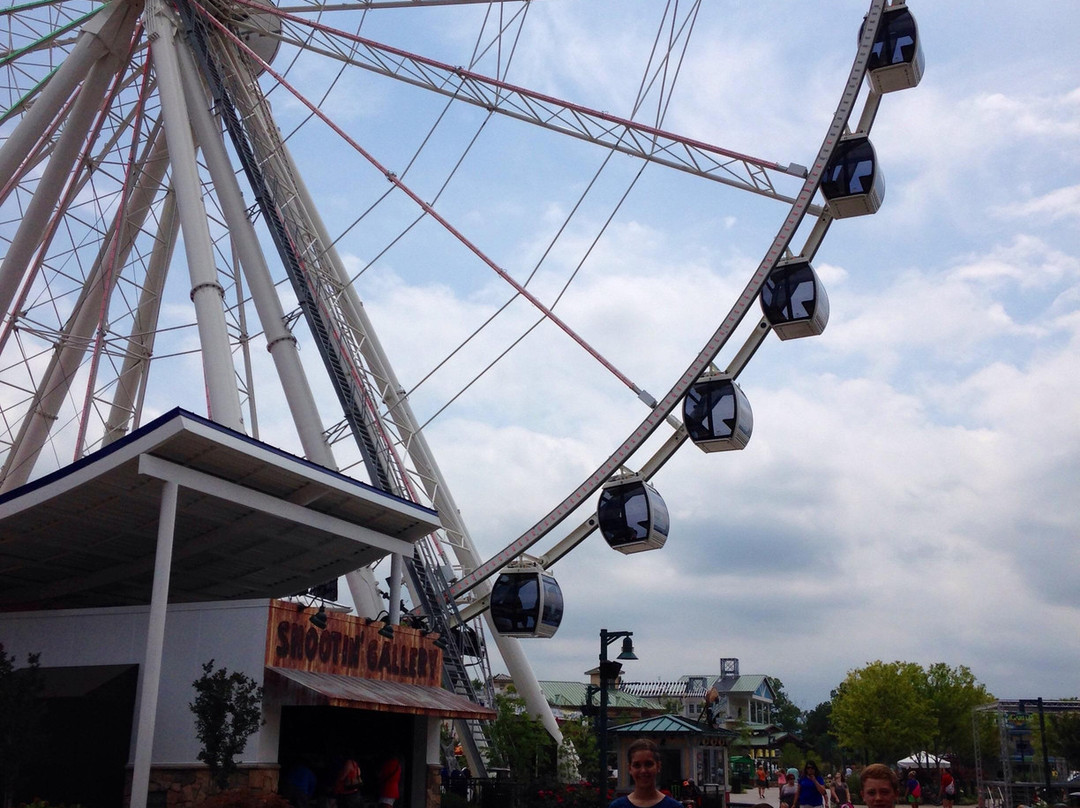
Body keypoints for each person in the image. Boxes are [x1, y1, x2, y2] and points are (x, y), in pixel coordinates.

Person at [608, 738, 684, 808]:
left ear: (658, 766)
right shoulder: (617, 806)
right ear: (630, 769)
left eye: (648, 764)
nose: (643, 770)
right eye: (637, 765)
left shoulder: (673, 806)